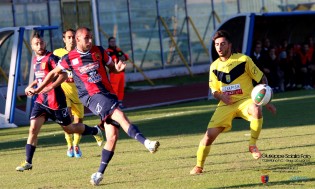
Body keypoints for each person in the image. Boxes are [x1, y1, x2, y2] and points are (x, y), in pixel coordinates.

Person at [31, 27, 160, 186]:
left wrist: (117, 69)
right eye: (86, 38)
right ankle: (147, 143)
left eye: (91, 37)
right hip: (91, 96)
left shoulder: (99, 50)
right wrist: (40, 88)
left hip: (107, 93)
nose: (90, 41)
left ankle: (98, 174)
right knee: (120, 115)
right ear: (78, 39)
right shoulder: (69, 58)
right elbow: (52, 73)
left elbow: (112, 67)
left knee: (112, 137)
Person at [190, 30, 277, 175]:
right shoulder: (214, 67)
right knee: (208, 136)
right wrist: (221, 97)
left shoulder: (244, 60)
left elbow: (262, 79)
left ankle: (252, 145)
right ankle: (199, 166)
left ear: (229, 45)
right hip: (226, 105)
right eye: (217, 44)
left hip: (245, 100)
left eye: (222, 44)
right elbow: (214, 90)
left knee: (256, 109)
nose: (219, 47)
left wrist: (266, 100)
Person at [16, 32, 104, 172]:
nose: (40, 45)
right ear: (32, 46)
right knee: (32, 129)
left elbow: (62, 74)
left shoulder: (51, 58)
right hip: (41, 101)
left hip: (56, 102)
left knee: (70, 128)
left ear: (44, 43)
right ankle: (28, 161)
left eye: (41, 43)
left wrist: (51, 86)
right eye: (36, 44)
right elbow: (41, 78)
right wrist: (31, 86)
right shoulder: (35, 60)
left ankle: (95, 130)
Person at [53, 29, 85, 158]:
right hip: (64, 91)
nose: (71, 39)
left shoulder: (81, 52)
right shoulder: (57, 53)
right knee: (67, 121)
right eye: (69, 37)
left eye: (73, 37)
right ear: (64, 39)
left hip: (78, 92)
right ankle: (69, 145)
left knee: (79, 121)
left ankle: (76, 144)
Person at [106, 36, 129, 109]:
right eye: (111, 41)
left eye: (114, 41)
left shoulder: (118, 49)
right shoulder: (108, 51)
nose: (113, 43)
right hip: (114, 72)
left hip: (121, 72)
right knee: (114, 88)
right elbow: (114, 59)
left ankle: (120, 102)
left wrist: (121, 58)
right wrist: (120, 58)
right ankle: (115, 104)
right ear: (109, 42)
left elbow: (126, 57)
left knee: (121, 88)